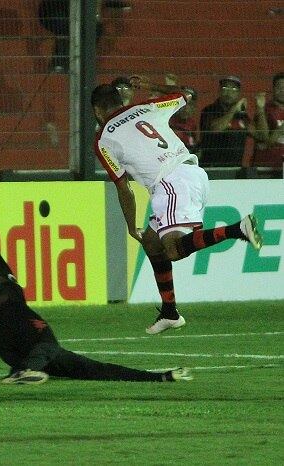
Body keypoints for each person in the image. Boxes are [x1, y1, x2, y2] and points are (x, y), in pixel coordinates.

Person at [92, 77, 263, 334]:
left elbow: (123, 187)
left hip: (170, 182)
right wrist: (152, 86)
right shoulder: (148, 107)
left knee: (172, 250)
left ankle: (238, 229)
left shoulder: (103, 139)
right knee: (152, 243)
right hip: (191, 173)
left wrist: (130, 225)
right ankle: (170, 313)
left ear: (96, 111)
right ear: (120, 100)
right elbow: (186, 95)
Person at [0, 207, 192, 384]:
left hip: (8, 342)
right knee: (47, 343)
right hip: (11, 319)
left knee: (85, 367)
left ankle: (158, 378)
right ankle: (24, 371)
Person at [199, 75, 268, 167]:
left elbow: (262, 136)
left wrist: (260, 109)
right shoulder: (209, 110)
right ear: (219, 91)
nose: (229, 92)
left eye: (234, 89)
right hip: (211, 168)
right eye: (225, 88)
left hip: (235, 168)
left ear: (239, 94)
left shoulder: (242, 116)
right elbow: (215, 128)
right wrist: (234, 109)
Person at [252, 72, 284, 168]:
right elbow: (263, 138)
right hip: (266, 165)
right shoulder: (264, 110)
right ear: (273, 89)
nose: (282, 90)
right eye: (279, 87)